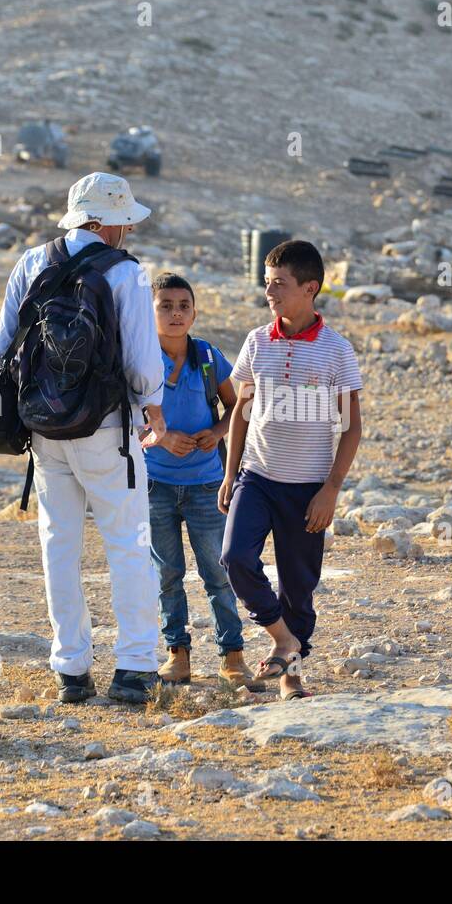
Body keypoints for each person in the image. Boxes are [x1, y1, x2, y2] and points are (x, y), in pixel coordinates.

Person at [0, 172, 168, 705]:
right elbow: (141, 361)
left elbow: (0, 350)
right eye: (123, 223)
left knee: (59, 546)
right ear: (104, 223)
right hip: (108, 430)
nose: (127, 233)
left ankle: (71, 670)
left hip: (45, 432)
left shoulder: (31, 262)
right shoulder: (126, 274)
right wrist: (152, 406)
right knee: (128, 544)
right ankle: (135, 666)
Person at [219, 240, 363, 700]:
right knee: (235, 558)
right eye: (267, 284)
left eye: (279, 284)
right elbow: (241, 413)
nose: (270, 293)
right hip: (257, 478)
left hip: (308, 489)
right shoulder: (256, 342)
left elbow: (352, 428)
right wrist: (229, 473)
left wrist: (331, 490)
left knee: (299, 586)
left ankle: (291, 673)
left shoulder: (337, 351)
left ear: (310, 288)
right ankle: (282, 638)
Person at [144, 273, 255, 689]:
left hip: (207, 485)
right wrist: (161, 436)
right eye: (165, 305)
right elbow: (120, 420)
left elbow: (239, 404)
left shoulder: (208, 357)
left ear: (194, 312)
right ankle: (178, 654)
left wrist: (220, 432)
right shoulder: (138, 359)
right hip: (154, 485)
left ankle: (233, 655)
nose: (175, 313)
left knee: (218, 571)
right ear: (149, 311)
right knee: (167, 573)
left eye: (183, 306)